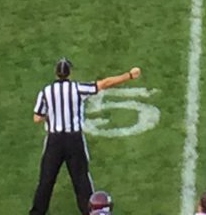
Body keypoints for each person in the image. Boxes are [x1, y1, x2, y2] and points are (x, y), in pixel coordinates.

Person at [28, 58, 141, 215]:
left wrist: (52, 115)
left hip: (54, 140)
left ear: (56, 73)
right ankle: (91, 213)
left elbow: (37, 117)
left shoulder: (46, 91)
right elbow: (104, 83)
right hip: (74, 139)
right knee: (81, 180)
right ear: (69, 73)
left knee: (46, 180)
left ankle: (36, 212)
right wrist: (128, 75)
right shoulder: (77, 88)